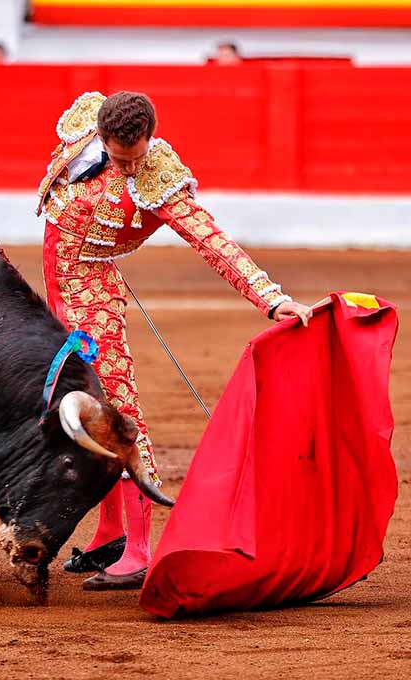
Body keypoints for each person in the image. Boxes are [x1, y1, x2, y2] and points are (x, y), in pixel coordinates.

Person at [36, 91, 311, 590]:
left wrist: (271, 299)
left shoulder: (159, 181)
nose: (130, 166)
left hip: (93, 300)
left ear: (150, 138)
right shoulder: (83, 126)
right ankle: (112, 533)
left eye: (137, 155)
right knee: (77, 409)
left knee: (116, 412)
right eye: (121, 158)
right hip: (57, 291)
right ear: (99, 135)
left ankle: (140, 548)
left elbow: (213, 242)